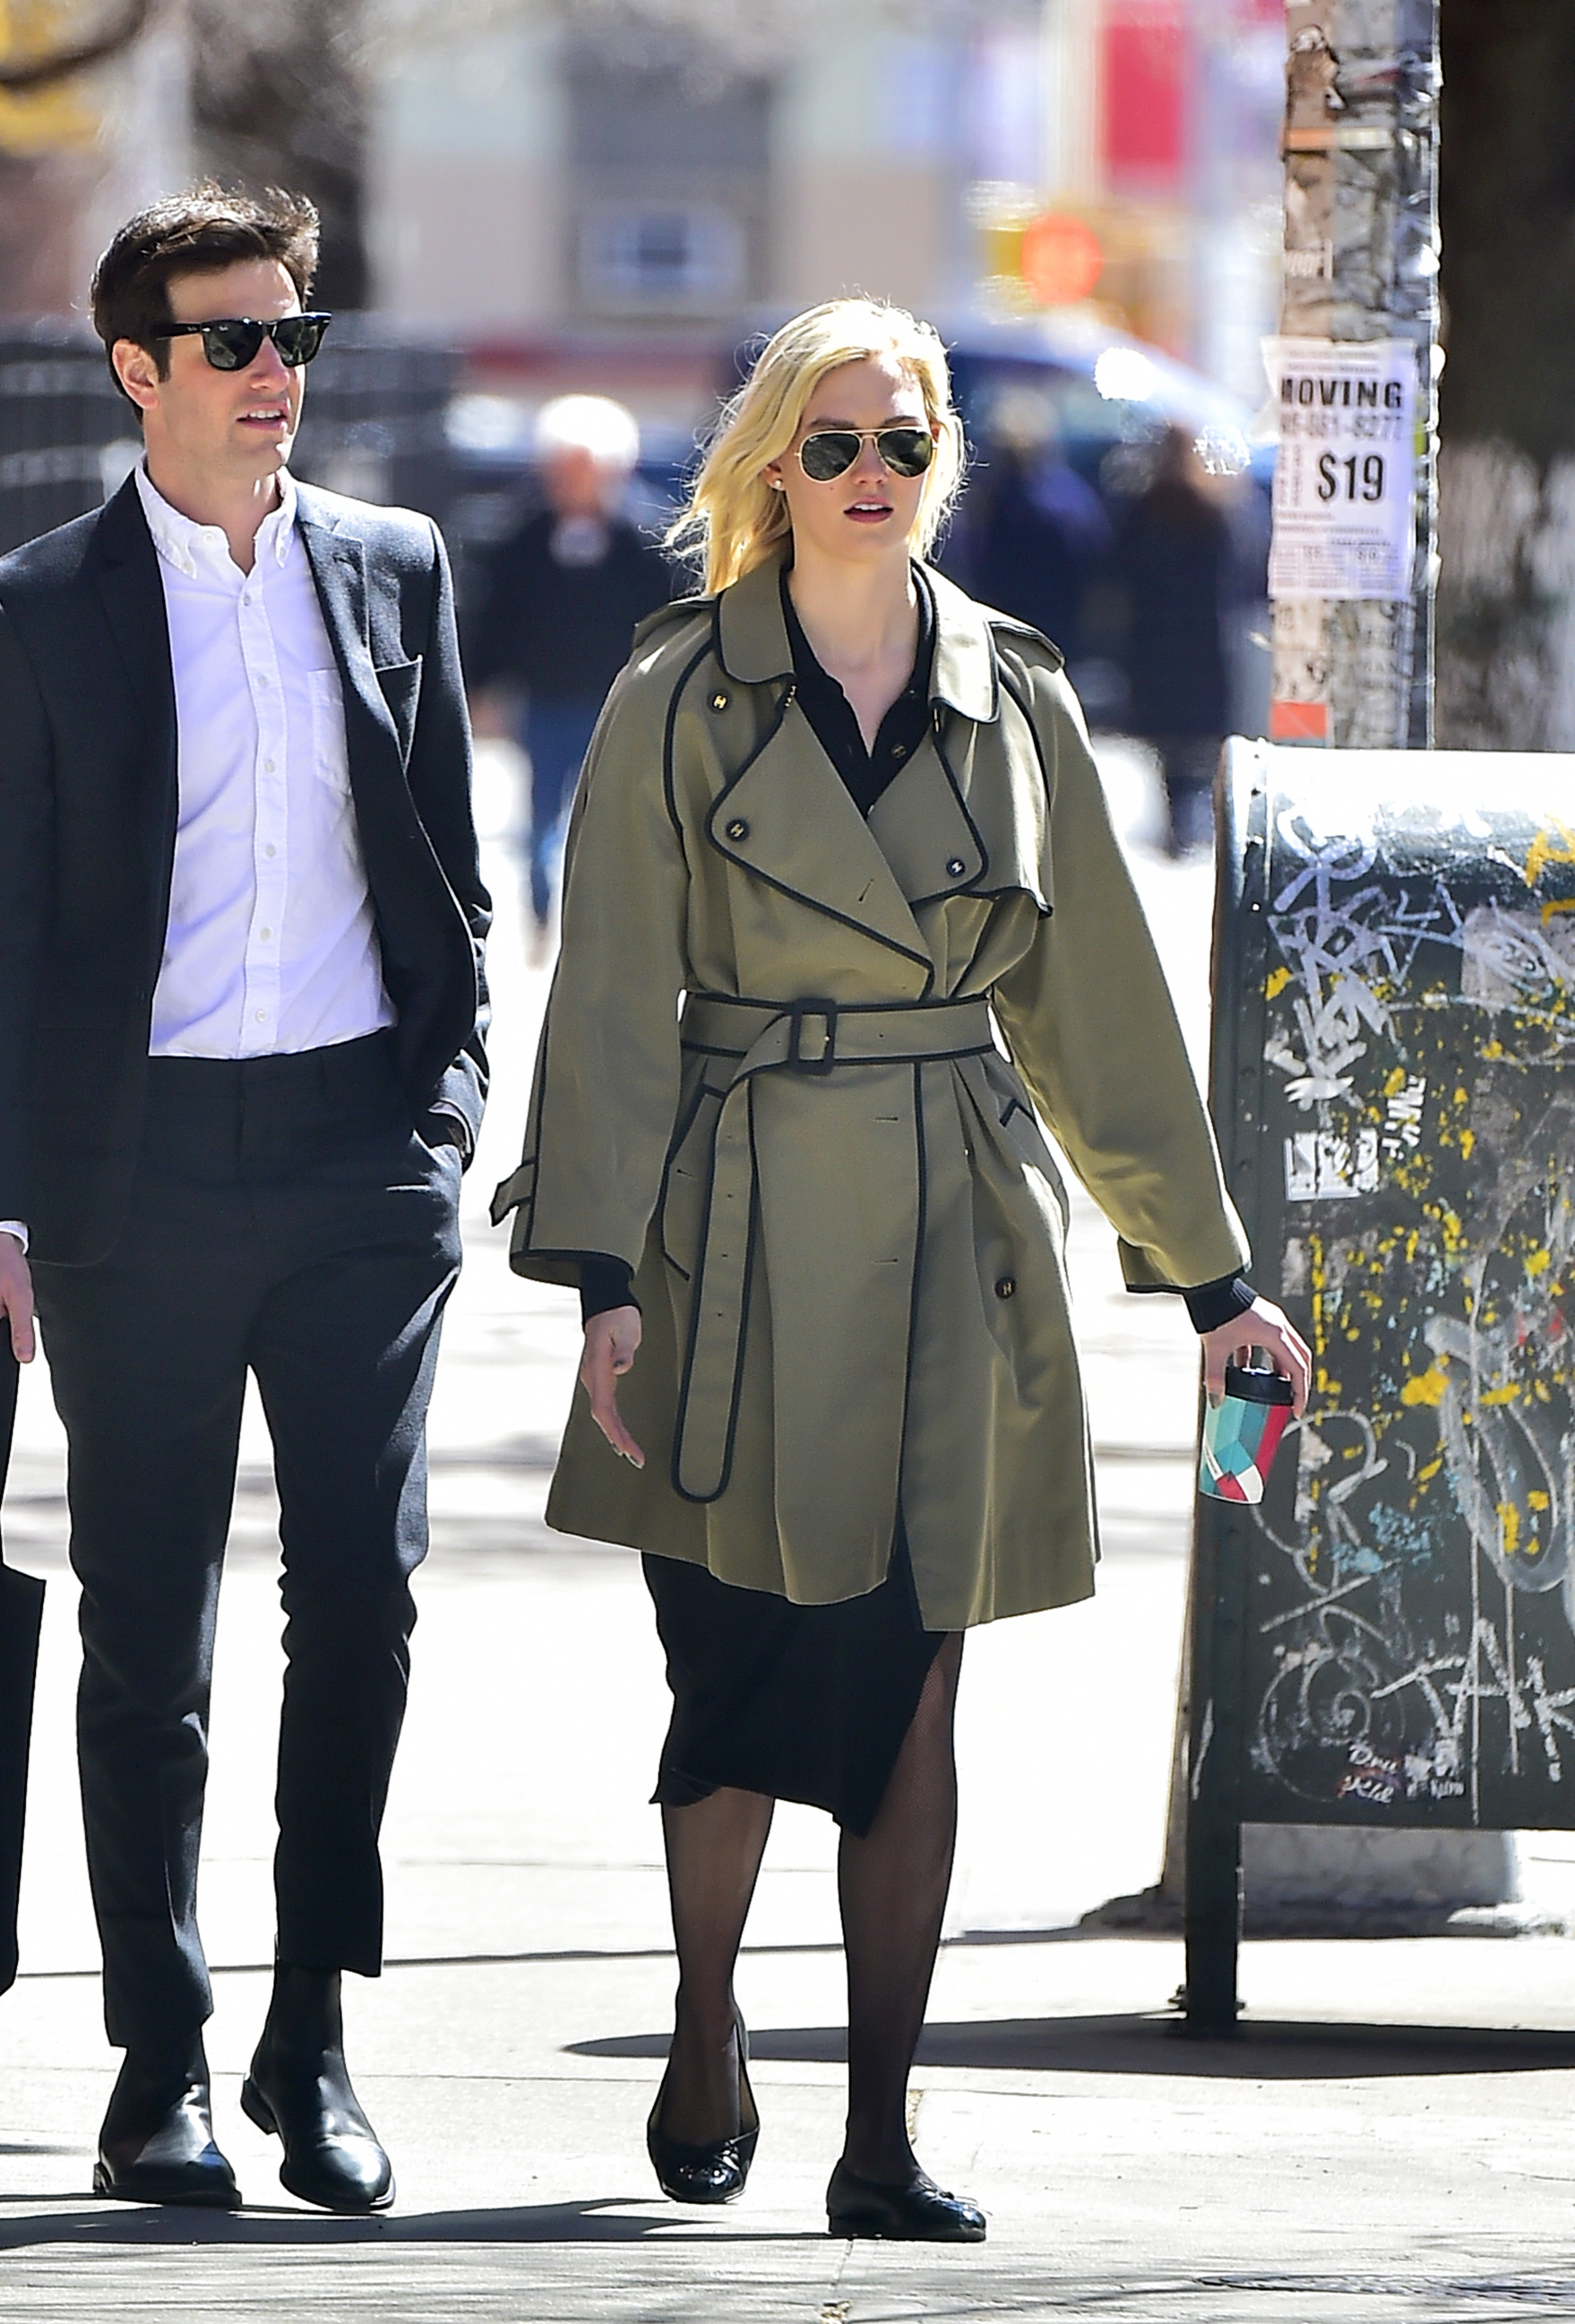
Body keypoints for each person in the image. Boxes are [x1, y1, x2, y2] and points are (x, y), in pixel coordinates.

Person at [492, 298, 1309, 2242]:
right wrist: (600, 1267)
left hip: (957, 1225)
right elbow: (609, 988)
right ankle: (708, 2019)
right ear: (774, 465)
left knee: (913, 1687)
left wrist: (1213, 1280)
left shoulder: (1015, 694)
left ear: (943, 463)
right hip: (729, 1222)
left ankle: (879, 2127)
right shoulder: (678, 690)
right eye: (836, 444)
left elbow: (1098, 1008)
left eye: (906, 444)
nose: (873, 476)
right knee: (729, 1665)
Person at [0, 185, 488, 2216]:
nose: (272, 373)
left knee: (363, 1605)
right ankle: (155, 2057)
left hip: (357, 1171)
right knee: (144, 1630)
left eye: (290, 336)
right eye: (230, 341)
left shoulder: (393, 567)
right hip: (132, 1181)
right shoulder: (36, 607)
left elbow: (447, 867)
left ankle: (309, 2038)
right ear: (136, 370)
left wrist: (442, 1122)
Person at [468, 394, 679, 950]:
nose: (573, 483)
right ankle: (543, 916)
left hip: (617, 704)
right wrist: (482, 687)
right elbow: (497, 618)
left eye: (586, 470)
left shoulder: (647, 541)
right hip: (544, 700)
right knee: (540, 816)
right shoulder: (522, 538)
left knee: (609, 816)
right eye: (561, 470)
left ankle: (596, 921)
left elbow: (672, 621)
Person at [1117, 422, 1239, 855]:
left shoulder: (1145, 507)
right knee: (1200, 743)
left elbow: (1124, 572)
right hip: (1201, 641)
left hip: (1157, 642)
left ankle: (1180, 821)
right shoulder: (1214, 508)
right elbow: (1234, 573)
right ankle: (1198, 819)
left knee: (1169, 746)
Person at [948, 384, 1109, 660]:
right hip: (1055, 624)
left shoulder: (997, 500)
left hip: (1014, 626)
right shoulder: (1068, 495)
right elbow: (1095, 558)